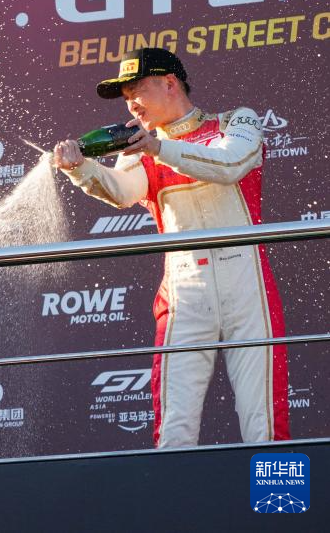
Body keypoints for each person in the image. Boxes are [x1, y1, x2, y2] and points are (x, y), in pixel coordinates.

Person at [53, 47, 289, 448]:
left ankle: (275, 492)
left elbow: (231, 164)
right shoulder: (138, 145)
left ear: (169, 83)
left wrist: (159, 149)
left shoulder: (236, 120)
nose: (131, 104)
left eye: (137, 91)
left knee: (265, 423)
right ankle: (174, 493)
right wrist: (81, 168)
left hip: (248, 287)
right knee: (174, 429)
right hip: (184, 293)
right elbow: (122, 191)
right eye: (126, 97)